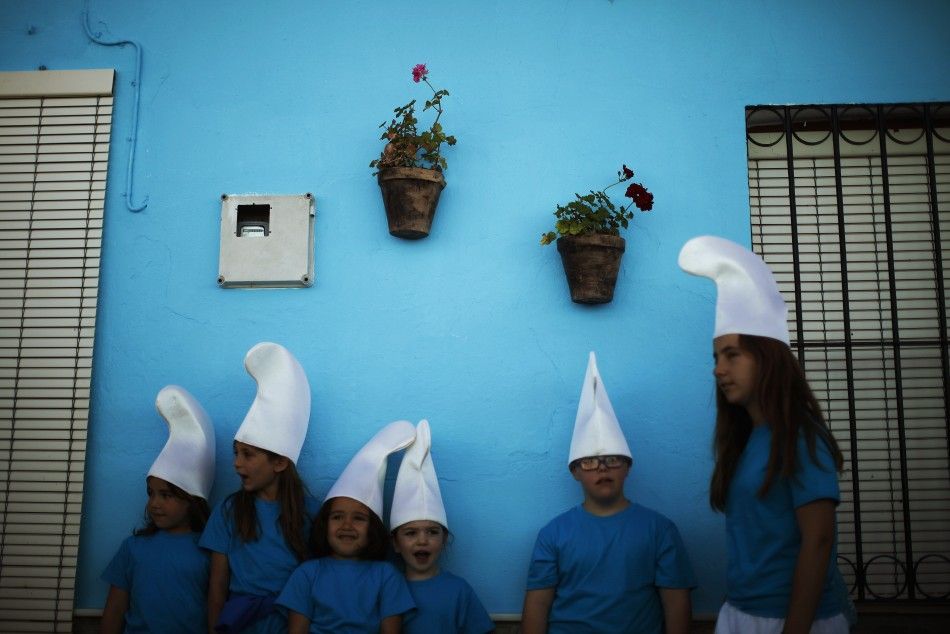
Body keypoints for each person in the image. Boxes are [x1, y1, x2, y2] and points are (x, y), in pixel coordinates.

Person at [679, 235, 850, 634]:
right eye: (716, 357)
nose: (718, 370)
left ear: (768, 358)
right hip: (742, 613)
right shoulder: (745, 441)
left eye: (732, 355)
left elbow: (819, 540)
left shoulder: (802, 438)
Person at [522, 352, 696, 634]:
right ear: (575, 471)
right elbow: (538, 605)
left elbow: (676, 604)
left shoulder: (659, 530)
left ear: (627, 467)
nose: (602, 468)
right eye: (589, 462)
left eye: (613, 459)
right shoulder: (552, 534)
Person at [200, 342, 318, 633]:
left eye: (248, 455)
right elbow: (217, 587)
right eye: (235, 452)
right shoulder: (229, 511)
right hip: (240, 622)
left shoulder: (312, 513)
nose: (237, 464)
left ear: (279, 462)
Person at [277, 420, 417, 633]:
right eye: (337, 517)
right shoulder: (307, 574)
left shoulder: (386, 576)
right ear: (324, 524)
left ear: (373, 528)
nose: (347, 525)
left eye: (359, 518)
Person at [100, 385, 216, 634]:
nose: (154, 503)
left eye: (166, 495)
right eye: (151, 493)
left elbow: (215, 610)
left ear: (191, 500)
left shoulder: (209, 551)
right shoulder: (133, 548)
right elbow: (114, 611)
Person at [389, 420, 494, 634]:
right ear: (395, 543)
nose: (422, 540)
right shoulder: (387, 588)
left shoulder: (458, 590)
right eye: (410, 533)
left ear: (444, 539)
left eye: (432, 531)